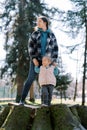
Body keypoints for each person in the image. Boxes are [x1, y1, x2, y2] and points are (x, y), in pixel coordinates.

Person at [20, 15, 58, 104]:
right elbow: (30, 46)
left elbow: (55, 49)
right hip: (36, 60)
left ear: (45, 23)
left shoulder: (51, 35)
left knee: (47, 81)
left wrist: (54, 61)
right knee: (30, 79)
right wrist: (33, 58)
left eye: (39, 21)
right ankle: (22, 100)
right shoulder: (35, 34)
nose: (38, 23)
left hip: (48, 61)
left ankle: (46, 103)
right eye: (37, 21)